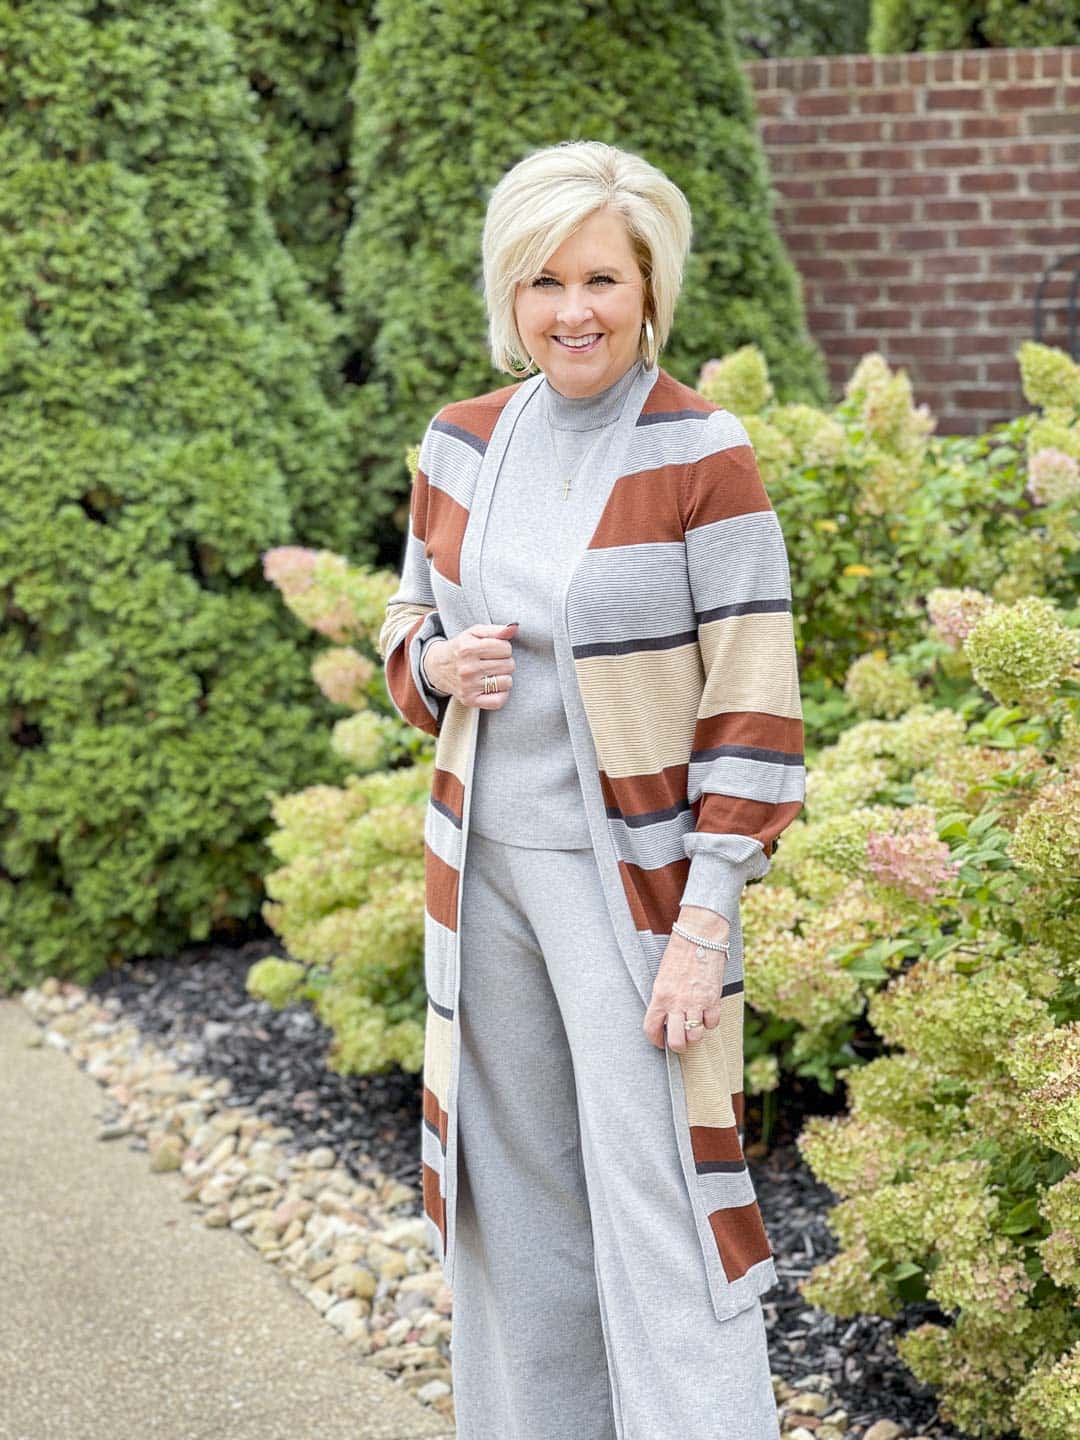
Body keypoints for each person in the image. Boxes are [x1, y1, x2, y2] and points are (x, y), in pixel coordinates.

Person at [378, 139, 805, 1440]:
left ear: (650, 288)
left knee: (663, 1202)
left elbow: (758, 703)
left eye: (603, 279)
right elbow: (404, 622)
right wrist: (433, 660)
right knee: (509, 1204)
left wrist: (706, 924)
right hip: (483, 878)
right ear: (511, 297)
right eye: (546, 280)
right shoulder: (459, 445)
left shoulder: (702, 453)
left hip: (635, 900)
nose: (575, 309)